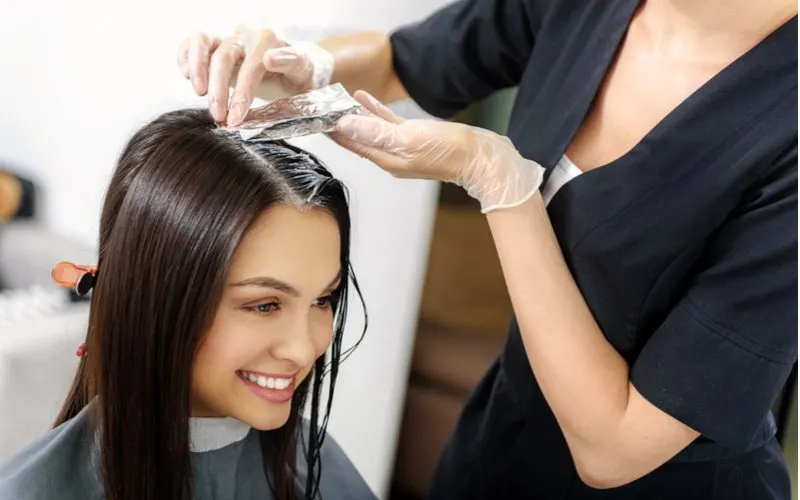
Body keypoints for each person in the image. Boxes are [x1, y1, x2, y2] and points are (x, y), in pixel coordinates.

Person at [179, 0, 798, 498]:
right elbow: (406, 61)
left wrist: (496, 178)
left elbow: (617, 448)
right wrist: (307, 65)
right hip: (498, 447)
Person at [0, 108, 376, 500]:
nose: (303, 350)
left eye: (322, 299)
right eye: (264, 305)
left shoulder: (313, 461)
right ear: (156, 296)